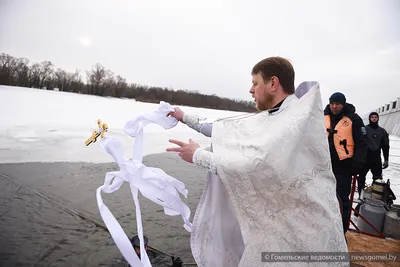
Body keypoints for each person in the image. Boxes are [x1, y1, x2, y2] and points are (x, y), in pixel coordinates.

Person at [167, 57, 349, 267]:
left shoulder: (295, 121)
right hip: (281, 224)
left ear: (273, 83)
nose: (251, 90)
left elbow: (260, 167)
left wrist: (198, 155)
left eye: (255, 83)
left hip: (304, 234)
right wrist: (184, 117)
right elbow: (228, 131)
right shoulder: (277, 115)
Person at [323, 92, 368, 233]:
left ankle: (341, 233)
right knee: (322, 198)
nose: (334, 107)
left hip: (344, 166)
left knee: (341, 199)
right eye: (332, 104)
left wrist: (357, 164)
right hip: (324, 166)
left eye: (337, 104)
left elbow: (362, 142)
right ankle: (324, 230)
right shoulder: (323, 118)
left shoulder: (354, 119)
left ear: (343, 104)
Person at [357, 112, 390, 197]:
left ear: (378, 118)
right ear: (369, 118)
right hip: (365, 157)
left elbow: (385, 146)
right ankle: (361, 194)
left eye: (376, 117)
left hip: (376, 158)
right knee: (361, 177)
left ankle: (375, 195)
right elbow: (358, 143)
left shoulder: (382, 131)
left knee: (377, 178)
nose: (374, 118)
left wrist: (386, 159)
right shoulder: (364, 129)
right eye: (372, 117)